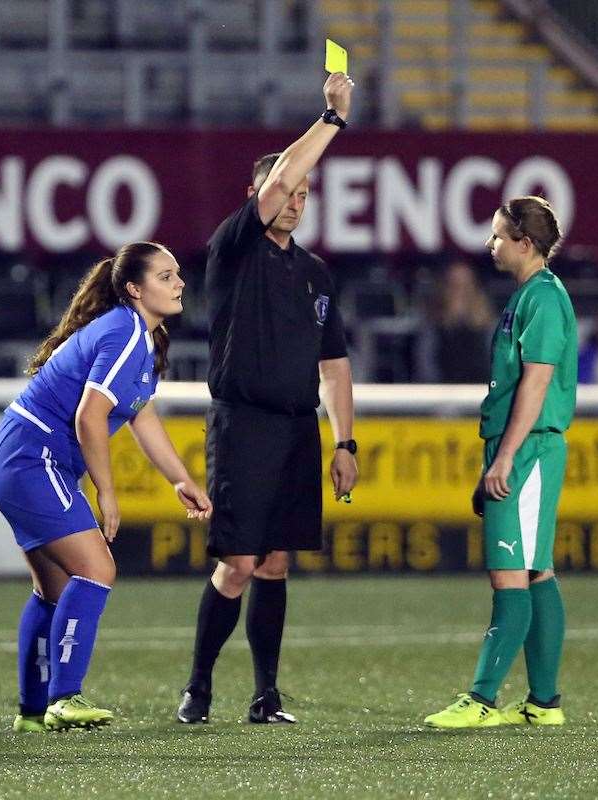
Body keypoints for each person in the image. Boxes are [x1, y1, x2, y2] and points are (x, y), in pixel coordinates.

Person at [176, 71, 359, 725]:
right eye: (286, 189)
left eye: (306, 193)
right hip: (243, 423)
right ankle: (197, 686)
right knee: (239, 562)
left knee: (277, 563)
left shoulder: (314, 273)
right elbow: (282, 173)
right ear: (256, 194)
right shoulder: (235, 250)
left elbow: (334, 364)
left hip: (295, 429)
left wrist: (344, 440)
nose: (295, 200)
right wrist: (331, 119)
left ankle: (266, 694)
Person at [0, 241, 212, 733]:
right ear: (134, 289)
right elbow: (91, 417)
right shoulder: (126, 332)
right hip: (31, 456)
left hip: (18, 455)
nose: (180, 284)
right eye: (166, 277)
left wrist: (180, 479)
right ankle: (64, 698)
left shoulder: (136, 335)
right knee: (97, 569)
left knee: (54, 588)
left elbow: (141, 414)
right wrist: (107, 492)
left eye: (177, 275)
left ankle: (31, 710)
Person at [424, 196, 577, 729]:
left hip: (529, 446)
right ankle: (543, 703)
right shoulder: (529, 297)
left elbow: (535, 384)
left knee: (511, 574)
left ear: (524, 244)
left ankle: (482, 699)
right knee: (536, 571)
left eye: (497, 237)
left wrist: (506, 457)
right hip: (523, 445)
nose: (490, 245)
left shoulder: (543, 300)